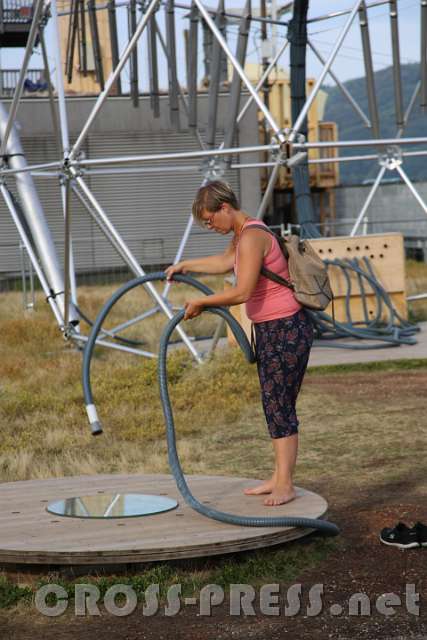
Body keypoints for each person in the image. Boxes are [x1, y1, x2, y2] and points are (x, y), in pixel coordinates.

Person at [165, 181, 314, 506]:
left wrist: (203, 302)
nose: (209, 226)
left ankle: (285, 484)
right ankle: (278, 476)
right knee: (274, 404)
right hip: (274, 329)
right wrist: (185, 266)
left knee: (280, 406)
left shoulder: (251, 237)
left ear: (225, 207)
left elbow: (242, 291)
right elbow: (223, 262)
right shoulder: (244, 234)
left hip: (285, 328)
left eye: (209, 219)